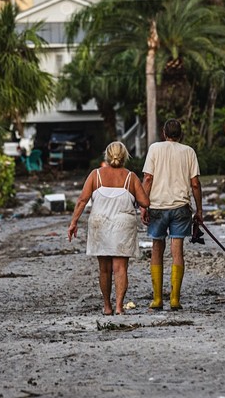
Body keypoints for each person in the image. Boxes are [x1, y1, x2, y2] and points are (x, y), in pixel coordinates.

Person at [68, 141, 149, 315]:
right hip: (123, 225)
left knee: (104, 269)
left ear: (107, 155)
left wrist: (73, 222)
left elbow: (82, 200)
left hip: (100, 224)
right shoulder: (130, 177)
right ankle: (119, 306)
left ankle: (107, 306)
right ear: (125, 156)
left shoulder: (95, 175)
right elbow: (144, 202)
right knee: (120, 268)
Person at [141, 119, 203, 310]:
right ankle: (175, 299)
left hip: (157, 207)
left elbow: (148, 179)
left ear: (163, 133)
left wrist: (144, 205)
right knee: (177, 251)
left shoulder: (154, 149)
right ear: (181, 134)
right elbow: (195, 184)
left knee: (157, 249)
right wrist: (199, 210)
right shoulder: (189, 152)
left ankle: (157, 299)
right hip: (181, 208)